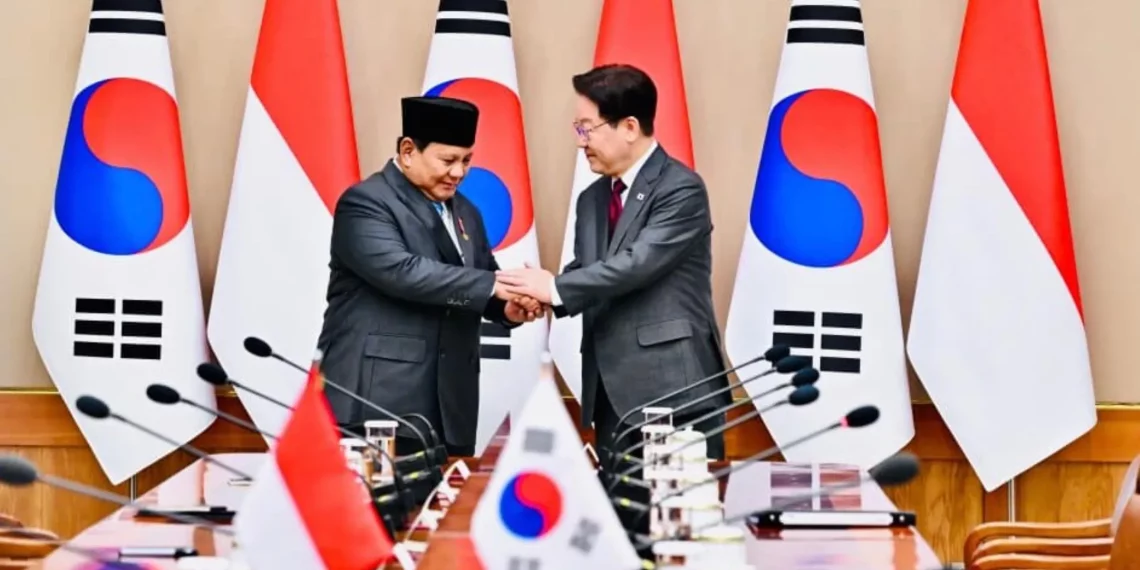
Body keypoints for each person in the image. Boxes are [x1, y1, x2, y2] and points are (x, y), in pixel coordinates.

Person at [495, 64, 730, 528]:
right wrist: (532, 298)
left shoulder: (681, 188)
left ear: (629, 127)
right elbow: (590, 272)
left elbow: (637, 265)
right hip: (609, 395)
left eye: (587, 127)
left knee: (677, 532)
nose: (580, 140)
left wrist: (556, 288)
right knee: (620, 533)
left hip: (672, 389)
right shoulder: (591, 198)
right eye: (577, 128)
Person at [317, 96, 542, 458]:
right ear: (408, 151)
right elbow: (402, 272)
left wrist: (509, 308)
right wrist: (494, 287)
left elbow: (483, 277)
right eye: (448, 160)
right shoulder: (366, 202)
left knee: (442, 512)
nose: (459, 172)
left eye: (467, 160)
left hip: (449, 406)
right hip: (377, 402)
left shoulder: (466, 211)